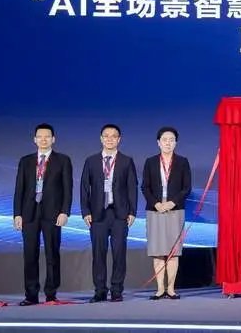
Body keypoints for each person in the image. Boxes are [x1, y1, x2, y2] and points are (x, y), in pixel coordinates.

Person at [13, 123, 73, 306]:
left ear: (53, 139)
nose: (43, 139)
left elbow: (67, 189)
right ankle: (31, 295)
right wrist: (17, 214)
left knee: (52, 254)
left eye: (47, 136)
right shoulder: (25, 161)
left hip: (53, 213)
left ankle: (51, 293)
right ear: (34, 139)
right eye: (40, 136)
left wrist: (65, 212)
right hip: (29, 213)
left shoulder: (63, 160)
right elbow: (19, 189)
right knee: (30, 255)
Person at [80, 124, 138, 303]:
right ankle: (100, 290)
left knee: (119, 253)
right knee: (98, 254)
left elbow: (132, 188)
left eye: (114, 136)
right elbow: (84, 188)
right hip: (97, 214)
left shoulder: (126, 161)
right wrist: (85, 211)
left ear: (119, 139)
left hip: (120, 214)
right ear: (101, 138)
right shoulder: (91, 161)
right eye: (106, 136)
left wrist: (132, 211)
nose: (110, 139)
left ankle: (117, 290)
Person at [141, 127, 192, 300]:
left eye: (171, 140)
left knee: (173, 251)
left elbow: (186, 188)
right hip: (155, 210)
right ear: (158, 142)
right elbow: (145, 187)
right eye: (164, 139)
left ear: (175, 143)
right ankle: (160, 289)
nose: (168, 143)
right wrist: (156, 203)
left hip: (175, 210)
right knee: (157, 251)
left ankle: (171, 289)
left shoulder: (183, 162)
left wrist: (172, 202)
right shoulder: (150, 162)